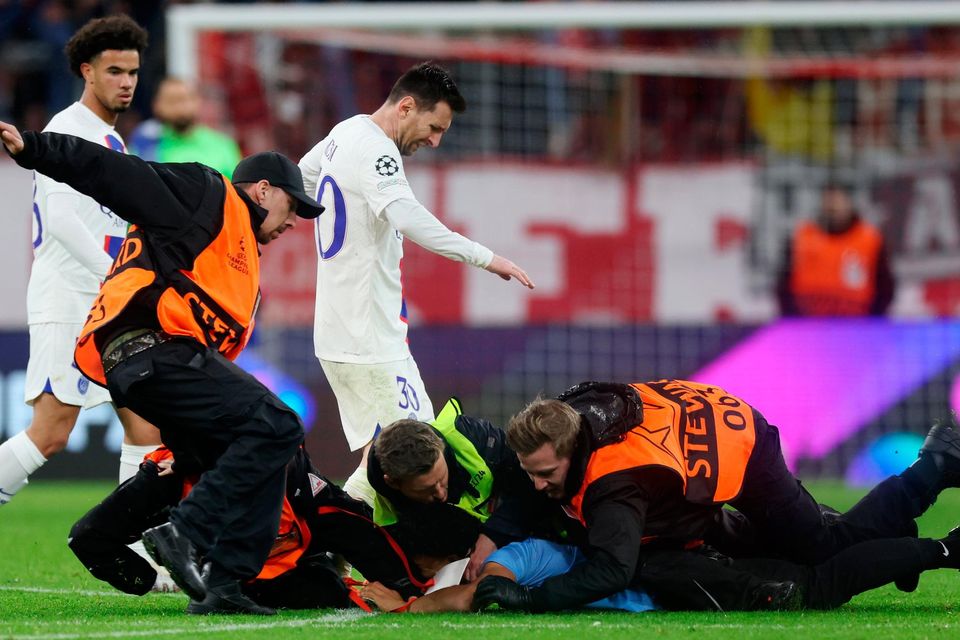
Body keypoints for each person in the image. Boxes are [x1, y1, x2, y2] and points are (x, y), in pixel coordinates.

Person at [0, 116, 322, 614]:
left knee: (218, 454)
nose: (293, 221)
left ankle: (138, 551)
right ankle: (186, 533)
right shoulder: (204, 193)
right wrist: (36, 148)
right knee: (278, 425)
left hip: (150, 365)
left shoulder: (240, 257)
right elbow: (112, 172)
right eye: (292, 205)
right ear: (262, 190)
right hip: (150, 346)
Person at [470, 379, 960, 611]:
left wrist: (532, 599)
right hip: (708, 435)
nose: (538, 485)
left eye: (545, 473)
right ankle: (933, 471)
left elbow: (613, 568)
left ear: (571, 449)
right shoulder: (570, 413)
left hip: (745, 453)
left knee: (821, 557)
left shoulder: (613, 483)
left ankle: (933, 479)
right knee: (813, 552)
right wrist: (496, 533)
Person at [298, 62, 535, 506]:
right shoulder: (378, 151)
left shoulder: (345, 132)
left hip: (353, 333)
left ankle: (331, 550)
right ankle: (320, 546)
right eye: (433, 127)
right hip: (366, 337)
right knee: (411, 455)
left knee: (403, 450)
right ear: (406, 107)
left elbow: (302, 178)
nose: (435, 140)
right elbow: (405, 215)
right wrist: (486, 258)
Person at [0, 14, 162, 506]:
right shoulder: (66, 130)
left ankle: (136, 553)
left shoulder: (112, 140)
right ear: (87, 72)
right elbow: (61, 220)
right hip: (69, 299)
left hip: (106, 304)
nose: (127, 83)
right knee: (50, 433)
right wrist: (118, 277)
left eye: (132, 72)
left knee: (147, 428)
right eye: (114, 71)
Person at [68, 445, 475, 612]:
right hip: (248, 580)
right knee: (322, 588)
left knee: (341, 573)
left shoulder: (296, 477)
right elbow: (88, 536)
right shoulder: (166, 477)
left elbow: (357, 529)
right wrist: (142, 580)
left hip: (290, 561)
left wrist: (407, 592)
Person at [365, 524, 960, 613]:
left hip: (675, 576)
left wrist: (411, 607)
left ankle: (941, 549)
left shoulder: (513, 561)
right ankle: (911, 540)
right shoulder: (526, 556)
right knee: (814, 558)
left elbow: (485, 594)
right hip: (676, 564)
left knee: (814, 588)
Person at [367, 398, 550, 580]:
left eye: (441, 479)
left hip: (523, 533)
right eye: (427, 489)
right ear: (393, 483)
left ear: (441, 447)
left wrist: (492, 537)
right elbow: (391, 560)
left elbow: (532, 490)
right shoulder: (387, 496)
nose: (440, 493)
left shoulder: (474, 437)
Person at [777, 184, 895, 316]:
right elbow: (783, 284)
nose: (832, 208)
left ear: (849, 203)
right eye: (828, 204)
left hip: (856, 324)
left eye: (838, 203)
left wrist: (871, 322)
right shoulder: (801, 237)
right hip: (809, 323)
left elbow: (885, 287)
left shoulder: (870, 239)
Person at [128, 76, 242, 178]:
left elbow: (237, 193)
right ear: (157, 105)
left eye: (186, 98)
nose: (181, 107)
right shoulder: (146, 144)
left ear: (198, 101)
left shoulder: (222, 146)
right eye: (172, 100)